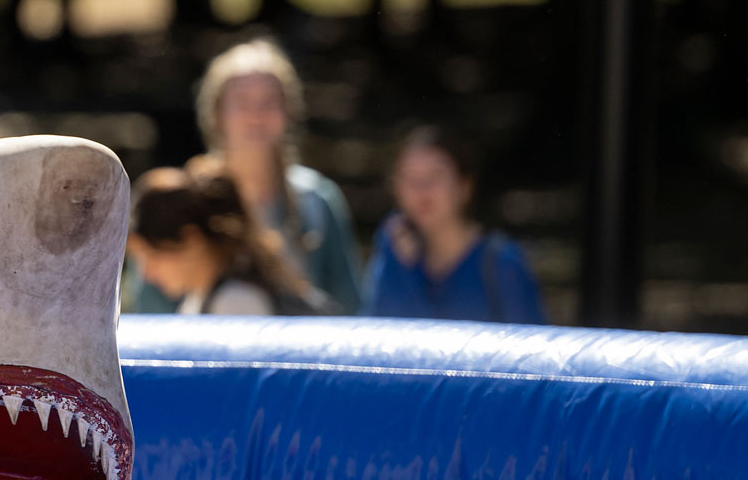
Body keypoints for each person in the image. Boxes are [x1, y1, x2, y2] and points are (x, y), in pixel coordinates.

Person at [179, 39, 363, 312]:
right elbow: (155, 313)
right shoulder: (187, 201)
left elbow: (348, 307)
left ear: (288, 111)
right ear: (217, 113)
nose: (257, 115)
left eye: (269, 101)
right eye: (242, 102)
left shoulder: (317, 200)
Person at [361, 126, 547, 325]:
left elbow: (530, 349)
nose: (422, 189)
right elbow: (373, 341)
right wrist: (404, 273)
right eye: (409, 178)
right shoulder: (393, 251)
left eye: (435, 175)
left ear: (464, 186)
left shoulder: (503, 264)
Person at [125, 158, 321, 315]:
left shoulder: (236, 303)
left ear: (192, 240)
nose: (146, 274)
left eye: (151, 255)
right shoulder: (201, 297)